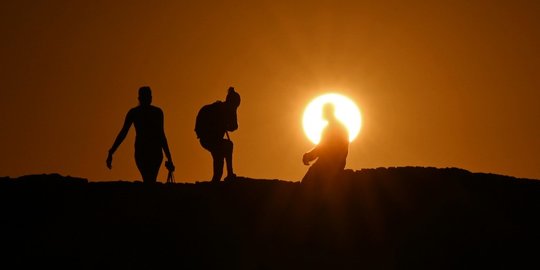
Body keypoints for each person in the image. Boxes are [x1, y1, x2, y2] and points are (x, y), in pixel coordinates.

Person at [106, 86, 174, 183]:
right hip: (147, 151)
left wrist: (111, 152)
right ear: (141, 98)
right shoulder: (153, 112)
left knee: (148, 180)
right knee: (150, 180)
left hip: (149, 151)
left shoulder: (139, 113)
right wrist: (111, 151)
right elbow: (161, 136)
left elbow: (161, 135)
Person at [195, 87, 240, 182]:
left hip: (211, 140)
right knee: (228, 146)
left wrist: (233, 112)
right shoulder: (219, 109)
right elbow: (233, 126)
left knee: (219, 166)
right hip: (208, 139)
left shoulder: (225, 109)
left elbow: (234, 126)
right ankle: (230, 174)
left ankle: (218, 181)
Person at [302, 103, 349, 184]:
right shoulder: (337, 127)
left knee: (307, 183)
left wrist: (308, 156)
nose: (322, 114)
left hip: (330, 164)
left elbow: (323, 148)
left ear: (329, 112)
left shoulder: (333, 128)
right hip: (335, 163)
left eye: (323, 111)